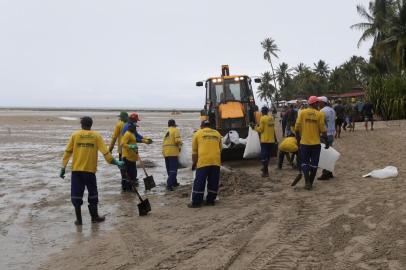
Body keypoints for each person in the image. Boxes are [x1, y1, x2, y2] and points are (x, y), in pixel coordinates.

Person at [60, 116, 124, 225]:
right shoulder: (96, 136)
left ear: (81, 125)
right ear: (91, 124)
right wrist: (116, 162)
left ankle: (79, 220)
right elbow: (106, 153)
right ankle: (94, 217)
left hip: (76, 171)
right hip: (90, 171)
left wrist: (63, 167)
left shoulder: (75, 135)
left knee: (76, 195)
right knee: (93, 194)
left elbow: (67, 152)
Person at [295, 96, 328, 190]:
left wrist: (298, 141)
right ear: (314, 103)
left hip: (304, 143)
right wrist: (327, 142)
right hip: (316, 144)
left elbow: (297, 128)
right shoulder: (320, 114)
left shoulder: (302, 113)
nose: (318, 104)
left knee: (304, 163)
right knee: (314, 164)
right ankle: (310, 182)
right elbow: (323, 130)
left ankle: (307, 182)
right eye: (317, 103)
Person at [189, 120, 222, 208]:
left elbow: (194, 152)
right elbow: (220, 148)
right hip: (216, 161)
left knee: (200, 182)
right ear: (209, 126)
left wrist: (194, 163)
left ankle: (196, 202)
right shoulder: (217, 134)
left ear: (201, 126)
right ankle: (210, 201)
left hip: (203, 161)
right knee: (213, 182)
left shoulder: (198, 133)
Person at [253, 106, 277, 177]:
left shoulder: (262, 118)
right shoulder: (271, 118)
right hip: (271, 140)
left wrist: (254, 127)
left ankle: (265, 172)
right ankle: (264, 168)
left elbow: (261, 130)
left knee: (263, 156)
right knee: (268, 156)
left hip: (265, 140)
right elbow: (271, 129)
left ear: (262, 112)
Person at [318, 96, 336, 180]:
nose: (318, 103)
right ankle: (330, 172)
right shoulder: (332, 110)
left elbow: (320, 124)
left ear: (323, 102)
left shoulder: (322, 111)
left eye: (319, 102)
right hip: (331, 134)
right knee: (329, 154)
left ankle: (325, 174)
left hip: (325, 134)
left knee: (325, 155)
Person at [109, 111, 128, 188]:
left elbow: (114, 137)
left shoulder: (119, 124)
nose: (119, 118)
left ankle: (124, 182)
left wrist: (110, 149)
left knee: (122, 166)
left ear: (121, 117)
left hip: (122, 150)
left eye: (120, 117)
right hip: (130, 150)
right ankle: (132, 182)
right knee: (130, 166)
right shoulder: (131, 124)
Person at [162, 119, 183, 191]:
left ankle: (174, 182)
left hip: (165, 152)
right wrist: (181, 145)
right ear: (174, 124)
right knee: (173, 169)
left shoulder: (167, 131)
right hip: (172, 152)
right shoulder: (175, 130)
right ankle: (169, 185)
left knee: (169, 169)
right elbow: (177, 141)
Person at [120, 122, 140, 191]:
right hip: (127, 157)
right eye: (134, 127)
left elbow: (134, 142)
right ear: (130, 127)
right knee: (129, 174)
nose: (135, 129)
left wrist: (135, 149)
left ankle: (128, 188)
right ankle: (128, 188)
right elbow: (122, 144)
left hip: (132, 157)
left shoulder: (132, 134)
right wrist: (131, 146)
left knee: (132, 174)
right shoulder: (127, 134)